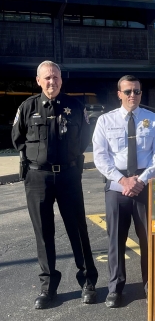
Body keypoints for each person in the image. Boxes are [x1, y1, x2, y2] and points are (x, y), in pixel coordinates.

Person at [11, 60, 98, 309]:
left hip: (69, 176)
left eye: (56, 77)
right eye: (47, 78)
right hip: (37, 178)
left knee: (78, 230)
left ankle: (88, 281)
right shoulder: (27, 107)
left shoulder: (75, 105)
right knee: (43, 233)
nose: (52, 82)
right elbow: (17, 139)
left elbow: (84, 138)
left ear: (61, 80)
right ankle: (48, 286)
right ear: (38, 80)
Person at [92, 75, 155, 308]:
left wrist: (141, 180)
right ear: (119, 94)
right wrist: (123, 180)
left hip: (145, 185)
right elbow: (100, 157)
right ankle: (115, 288)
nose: (132, 95)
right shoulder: (105, 121)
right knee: (116, 240)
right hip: (117, 187)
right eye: (128, 92)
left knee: (149, 238)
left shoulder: (153, 120)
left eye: (136, 91)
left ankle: (151, 284)